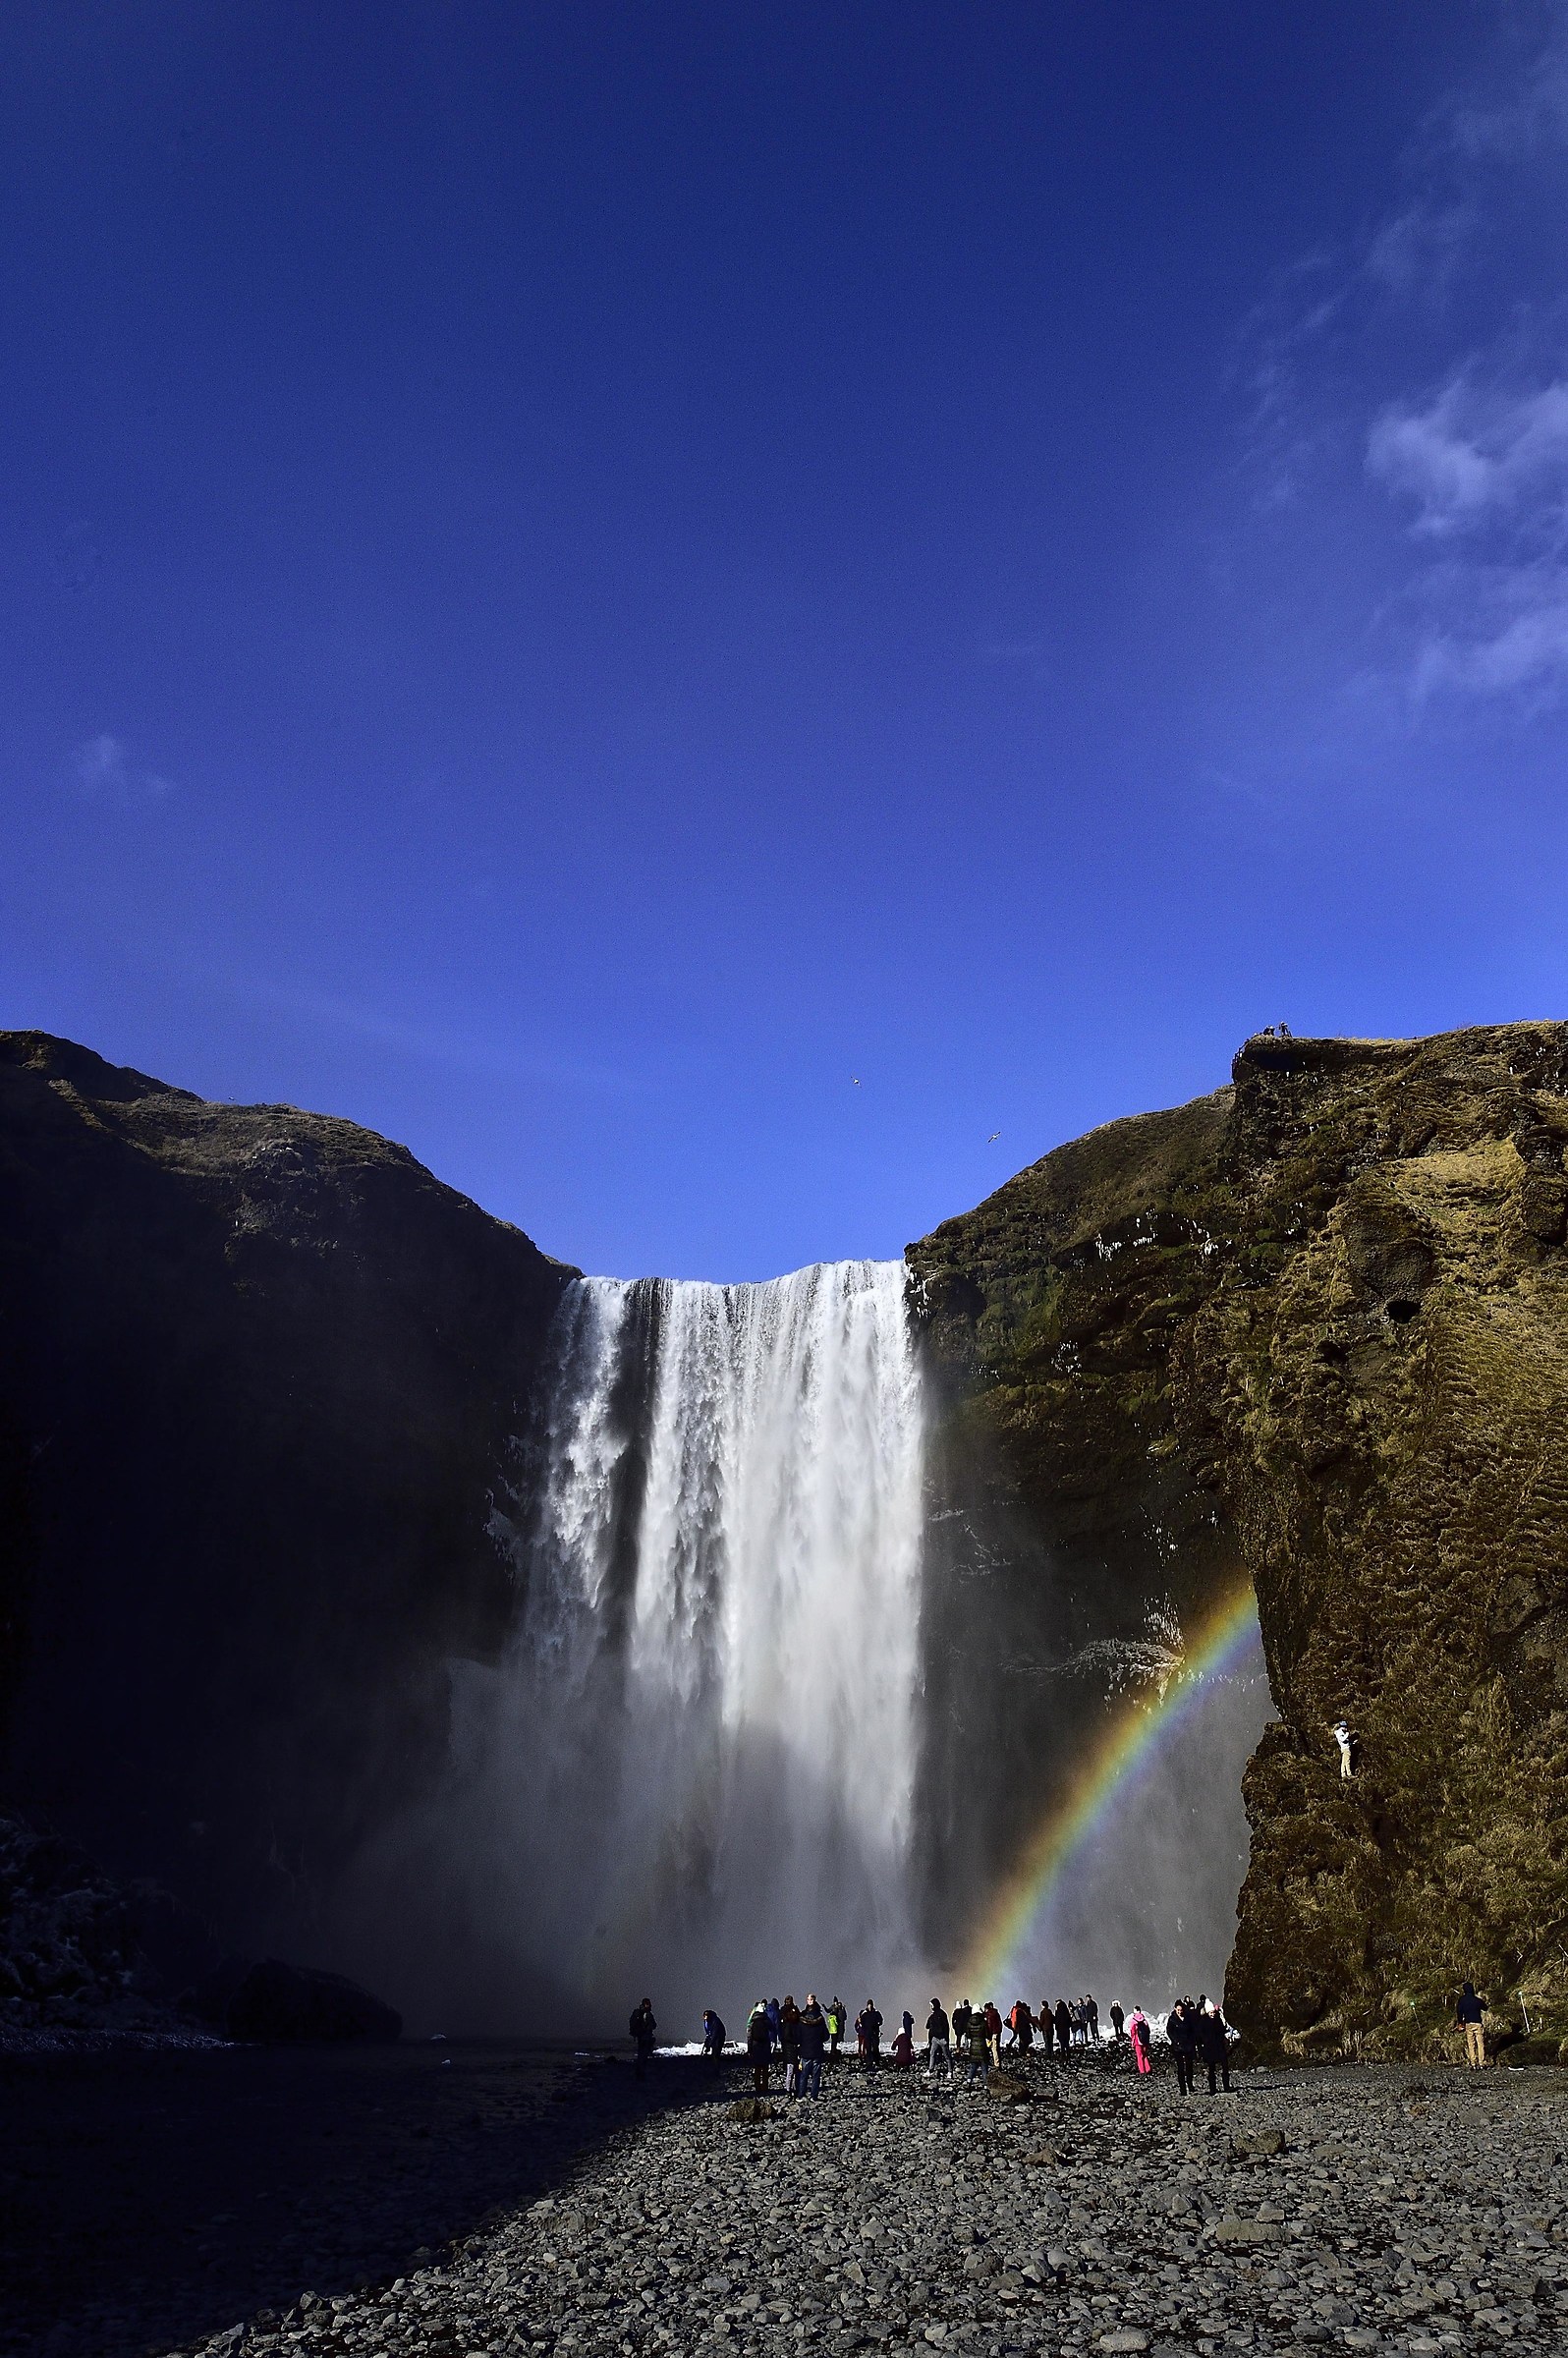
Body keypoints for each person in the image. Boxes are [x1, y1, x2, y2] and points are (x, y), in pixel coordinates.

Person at [1198, 2000, 1231, 2095]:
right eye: (1211, 2013)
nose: (1212, 2014)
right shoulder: (1203, 2021)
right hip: (1209, 2048)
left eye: (1213, 2012)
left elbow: (1222, 2030)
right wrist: (1204, 2043)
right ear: (1207, 2012)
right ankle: (1213, 2088)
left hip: (1219, 2046)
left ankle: (1226, 2087)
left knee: (1225, 2066)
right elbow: (1199, 2035)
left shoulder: (1217, 2019)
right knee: (1211, 2069)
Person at [798, 1994, 827, 2099]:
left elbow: (798, 2036)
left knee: (803, 2076)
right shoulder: (820, 2019)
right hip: (817, 2051)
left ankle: (801, 2095)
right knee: (816, 2076)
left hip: (805, 2051)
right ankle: (814, 2096)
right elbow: (826, 2036)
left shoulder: (801, 2019)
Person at [1167, 1998, 1197, 2097]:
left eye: (1181, 2010)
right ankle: (1182, 2089)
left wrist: (1193, 2042)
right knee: (1180, 2068)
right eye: (1178, 2010)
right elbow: (1169, 2031)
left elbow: (1193, 2030)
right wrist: (1175, 2041)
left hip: (1188, 2045)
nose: (1180, 2012)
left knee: (1189, 2066)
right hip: (1178, 2046)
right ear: (1175, 2009)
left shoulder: (1188, 2018)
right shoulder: (1172, 2019)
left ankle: (1190, 2084)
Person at [1457, 1981, 1486, 2068]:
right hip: (1477, 2022)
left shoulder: (1462, 2000)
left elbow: (1459, 2012)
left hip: (1468, 2023)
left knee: (1471, 2043)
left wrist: (1460, 2023)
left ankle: (1473, 2063)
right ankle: (1481, 2063)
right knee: (1480, 2043)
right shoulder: (1477, 2000)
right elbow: (1485, 2008)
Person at [747, 1999, 772, 2094]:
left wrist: (750, 2049)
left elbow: (749, 2036)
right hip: (765, 2046)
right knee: (765, 2068)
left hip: (755, 2046)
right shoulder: (766, 2020)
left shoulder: (752, 2022)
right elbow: (772, 2029)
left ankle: (758, 2087)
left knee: (757, 2068)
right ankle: (765, 2087)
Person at [780, 1994, 803, 2098]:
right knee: (795, 2071)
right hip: (794, 2048)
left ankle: (789, 2089)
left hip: (788, 2048)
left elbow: (784, 2036)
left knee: (790, 2071)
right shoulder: (796, 2021)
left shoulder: (784, 2017)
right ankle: (793, 2089)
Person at [630, 1997, 657, 2079]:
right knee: (643, 2055)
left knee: (642, 2056)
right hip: (643, 2036)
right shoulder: (644, 2014)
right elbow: (654, 2025)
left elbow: (654, 2025)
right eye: (647, 2004)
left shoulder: (642, 2013)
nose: (648, 2005)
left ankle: (640, 2072)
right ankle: (640, 2072)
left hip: (643, 2036)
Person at [964, 2004, 990, 2085]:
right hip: (982, 2047)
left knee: (973, 2066)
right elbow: (987, 2034)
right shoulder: (983, 2022)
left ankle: (969, 2080)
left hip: (973, 2047)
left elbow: (967, 2035)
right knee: (984, 2067)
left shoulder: (969, 2022)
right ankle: (986, 2084)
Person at [925, 1997, 952, 2081]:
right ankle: (949, 2072)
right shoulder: (943, 2014)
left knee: (933, 2054)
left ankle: (931, 2070)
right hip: (940, 2038)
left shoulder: (934, 2016)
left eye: (931, 2005)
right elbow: (947, 2027)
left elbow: (927, 2026)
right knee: (946, 2056)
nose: (931, 2007)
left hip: (937, 2038)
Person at [857, 1998, 883, 2066]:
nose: (870, 2006)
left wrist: (877, 2024)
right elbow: (860, 2023)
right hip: (867, 2033)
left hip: (875, 2033)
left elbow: (881, 2021)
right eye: (869, 2005)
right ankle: (869, 2061)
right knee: (868, 2048)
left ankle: (876, 2061)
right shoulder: (864, 2013)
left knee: (875, 2047)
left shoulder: (876, 2013)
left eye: (871, 2005)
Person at [1128, 2005, 1152, 2076]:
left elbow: (1132, 2032)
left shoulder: (1133, 2020)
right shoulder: (1144, 2020)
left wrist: (1132, 2041)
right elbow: (1148, 2030)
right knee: (1144, 2055)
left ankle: (1142, 2071)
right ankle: (1148, 2069)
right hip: (1144, 2040)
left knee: (1139, 2056)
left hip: (1137, 2041)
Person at [826, 1995, 846, 2068]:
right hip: (836, 2028)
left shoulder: (831, 2017)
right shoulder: (835, 2013)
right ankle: (834, 2051)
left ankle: (833, 2050)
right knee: (836, 2039)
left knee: (834, 2040)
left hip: (832, 2030)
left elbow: (828, 2011)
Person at [982, 1999, 1003, 2068]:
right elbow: (1000, 2023)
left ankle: (996, 2064)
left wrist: (988, 2036)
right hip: (997, 2032)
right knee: (997, 2048)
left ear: (986, 2008)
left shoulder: (989, 2015)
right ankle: (998, 2062)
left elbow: (989, 2025)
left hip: (993, 2033)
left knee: (994, 2049)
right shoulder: (996, 2013)